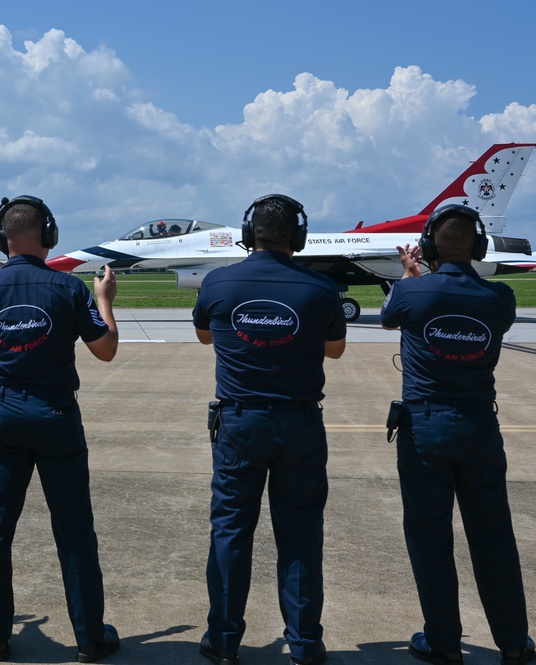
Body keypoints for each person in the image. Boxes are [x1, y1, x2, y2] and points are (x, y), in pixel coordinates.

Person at [0, 195, 121, 663]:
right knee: (74, 530)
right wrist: (104, 301)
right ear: (48, 235)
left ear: (1, 238)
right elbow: (105, 350)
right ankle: (89, 638)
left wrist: (15, 350)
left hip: (6, 413)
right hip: (55, 415)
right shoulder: (68, 288)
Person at [192, 194, 345, 665]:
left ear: (247, 233)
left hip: (240, 423)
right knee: (300, 534)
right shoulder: (320, 289)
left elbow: (204, 334)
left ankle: (222, 640)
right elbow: (335, 350)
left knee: (231, 532)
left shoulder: (218, 282)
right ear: (298, 237)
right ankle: (304, 643)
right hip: (299, 423)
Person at [380, 204, 536, 665]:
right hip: (479, 426)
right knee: (493, 534)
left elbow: (390, 316)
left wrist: (412, 275)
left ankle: (444, 642)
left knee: (430, 536)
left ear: (427, 246)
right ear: (480, 247)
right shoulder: (500, 297)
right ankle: (513, 641)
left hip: (426, 427)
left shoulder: (411, 292)